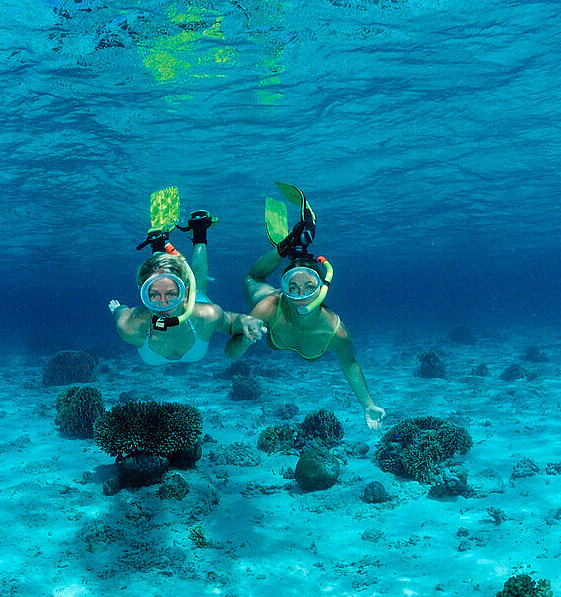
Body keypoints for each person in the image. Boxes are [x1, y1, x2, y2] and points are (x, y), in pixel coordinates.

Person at [225, 183, 385, 430]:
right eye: (293, 287)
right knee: (251, 280)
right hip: (268, 298)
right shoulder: (268, 309)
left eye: (309, 288)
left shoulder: (336, 332)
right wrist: (245, 338)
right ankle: (285, 246)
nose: (300, 296)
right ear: (284, 289)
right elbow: (230, 353)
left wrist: (368, 404)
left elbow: (350, 365)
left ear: (322, 289)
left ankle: (290, 244)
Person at [109, 197, 265, 364]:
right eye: (154, 295)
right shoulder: (129, 326)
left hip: (193, 304)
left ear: (185, 292)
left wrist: (246, 321)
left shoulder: (207, 315)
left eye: (171, 294)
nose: (163, 304)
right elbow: (121, 313)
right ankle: (178, 240)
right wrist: (117, 309)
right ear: (143, 294)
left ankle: (193, 235)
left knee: (199, 285)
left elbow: (232, 323)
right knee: (158, 272)